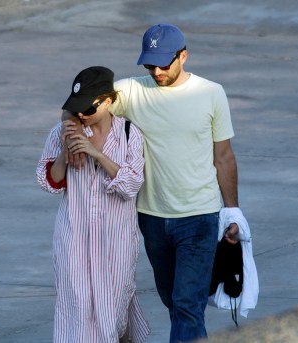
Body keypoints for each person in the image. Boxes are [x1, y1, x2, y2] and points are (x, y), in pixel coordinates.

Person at [64, 24, 240, 343]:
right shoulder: (132, 91)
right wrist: (69, 131)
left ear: (183, 56)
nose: (156, 71)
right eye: (149, 64)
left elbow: (224, 156)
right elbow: (78, 103)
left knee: (188, 305)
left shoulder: (211, 93)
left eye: (163, 63)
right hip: (151, 218)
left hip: (199, 216)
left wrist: (233, 212)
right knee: (174, 302)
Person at [36, 66, 150, 343]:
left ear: (108, 100)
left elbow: (131, 185)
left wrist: (96, 154)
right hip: (74, 238)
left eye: (88, 108)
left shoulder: (128, 133)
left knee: (115, 312)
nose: (81, 115)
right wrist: (66, 151)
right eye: (77, 108)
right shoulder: (62, 132)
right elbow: (49, 182)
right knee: (76, 310)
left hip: (116, 242)